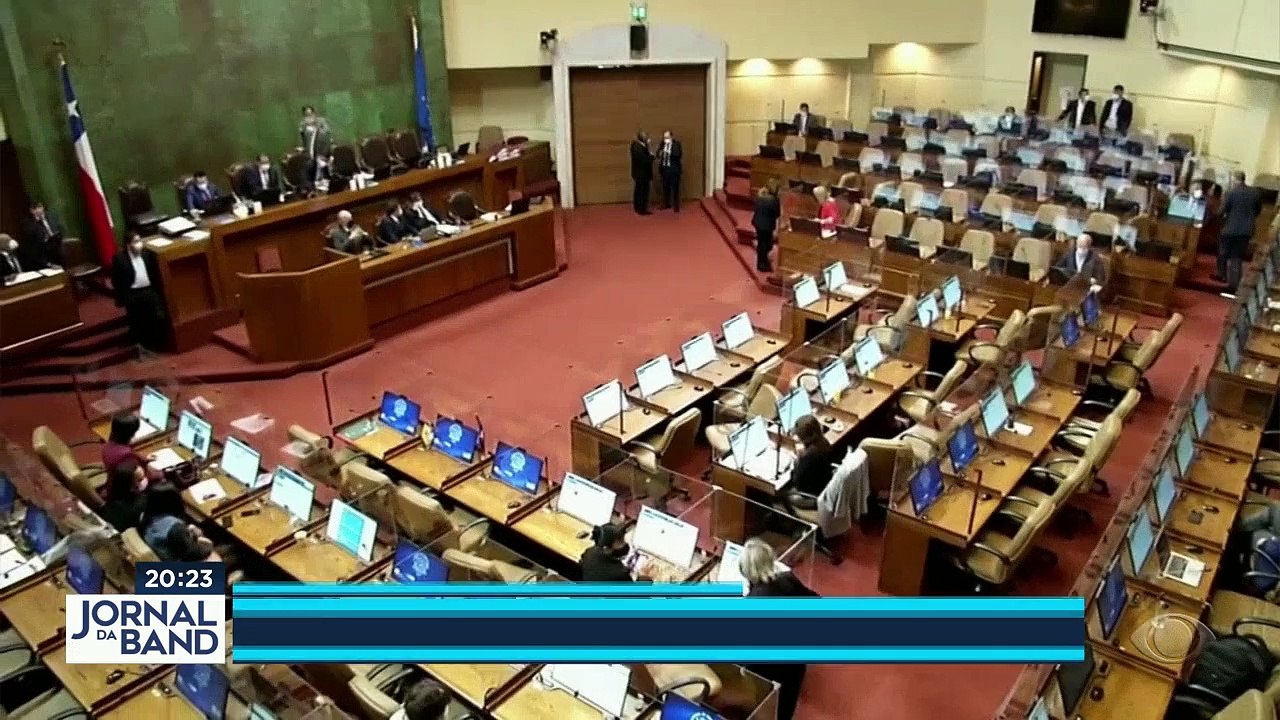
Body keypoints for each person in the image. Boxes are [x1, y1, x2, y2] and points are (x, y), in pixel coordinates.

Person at [738, 538, 816, 720]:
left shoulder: (750, 605)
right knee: (785, 709)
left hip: (765, 672)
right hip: (794, 662)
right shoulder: (788, 580)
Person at [110, 231, 167, 351]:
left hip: (148, 290)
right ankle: (141, 345)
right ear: (128, 245)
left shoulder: (147, 254)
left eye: (139, 241)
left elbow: (153, 273)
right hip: (133, 293)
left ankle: (158, 344)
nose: (139, 244)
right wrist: (123, 296)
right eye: (136, 242)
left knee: (158, 316)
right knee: (138, 321)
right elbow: (116, 280)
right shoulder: (120, 259)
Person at [140, 486, 219, 562]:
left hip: (165, 552)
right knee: (229, 550)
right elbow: (192, 554)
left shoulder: (145, 516)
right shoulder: (175, 528)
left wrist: (187, 532)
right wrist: (208, 544)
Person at [1218, 170, 1263, 297]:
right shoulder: (1254, 193)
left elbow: (1222, 211)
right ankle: (1234, 284)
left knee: (1223, 252)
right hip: (1246, 231)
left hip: (1230, 229)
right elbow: (1258, 211)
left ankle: (1223, 277)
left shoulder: (1231, 193)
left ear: (1235, 179)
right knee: (1237, 258)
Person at [101, 413, 161, 489]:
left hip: (113, 484)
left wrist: (145, 459)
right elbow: (141, 477)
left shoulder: (108, 445)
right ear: (131, 433)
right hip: (127, 491)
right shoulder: (126, 455)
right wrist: (160, 473)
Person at [789, 415, 835, 502]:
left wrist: (798, 460)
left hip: (816, 497)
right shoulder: (824, 442)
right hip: (826, 487)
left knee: (783, 495)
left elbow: (797, 483)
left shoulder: (809, 456)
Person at [100, 460, 147, 531]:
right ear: (130, 486)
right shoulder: (140, 503)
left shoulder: (111, 495)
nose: (144, 480)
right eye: (140, 480)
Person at [20, 201, 63, 268]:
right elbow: (33, 244)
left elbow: (60, 230)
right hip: (44, 252)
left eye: (40, 207)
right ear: (31, 211)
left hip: (58, 248)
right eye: (35, 208)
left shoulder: (52, 217)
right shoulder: (28, 223)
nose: (38, 210)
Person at [752, 178, 782, 272]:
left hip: (757, 222)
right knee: (766, 244)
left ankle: (760, 263)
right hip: (766, 225)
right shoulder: (774, 200)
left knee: (761, 243)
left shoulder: (760, 196)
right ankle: (763, 264)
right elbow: (777, 214)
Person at [657, 130, 683, 212]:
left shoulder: (676, 144)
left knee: (675, 188)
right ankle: (666, 203)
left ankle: (676, 206)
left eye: (667, 137)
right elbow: (658, 153)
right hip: (664, 169)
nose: (665, 139)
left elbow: (678, 155)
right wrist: (660, 153)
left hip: (674, 169)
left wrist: (668, 152)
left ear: (671, 137)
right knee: (665, 187)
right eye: (664, 137)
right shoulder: (662, 144)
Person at [630, 131, 653, 215]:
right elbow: (645, 160)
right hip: (642, 173)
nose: (647, 138)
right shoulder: (637, 147)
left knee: (639, 190)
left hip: (640, 173)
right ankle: (641, 209)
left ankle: (638, 207)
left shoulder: (637, 145)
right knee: (642, 191)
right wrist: (650, 152)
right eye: (646, 137)